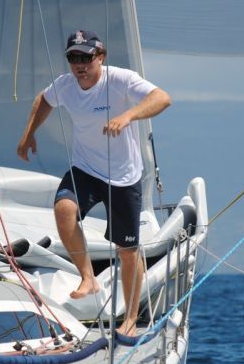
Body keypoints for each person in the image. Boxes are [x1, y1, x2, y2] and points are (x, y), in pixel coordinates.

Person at [17, 30, 171, 336]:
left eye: (86, 57)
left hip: (124, 176)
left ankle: (130, 320)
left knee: (127, 251)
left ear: (100, 57)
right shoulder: (65, 85)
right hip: (85, 168)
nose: (79, 64)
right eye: (73, 58)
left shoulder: (120, 79)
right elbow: (42, 101)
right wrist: (28, 134)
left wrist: (128, 116)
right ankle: (88, 278)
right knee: (64, 209)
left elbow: (162, 98)